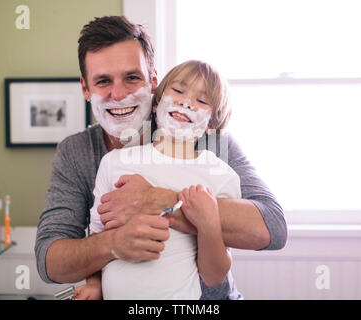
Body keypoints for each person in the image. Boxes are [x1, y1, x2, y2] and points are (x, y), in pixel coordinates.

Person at [35, 16, 287, 300]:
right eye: (103, 81)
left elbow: (272, 228)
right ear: (86, 89)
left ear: (153, 81)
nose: (118, 95)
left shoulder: (210, 141)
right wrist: (112, 245)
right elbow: (49, 259)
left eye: (132, 77)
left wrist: (161, 201)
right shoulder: (78, 152)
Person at [76, 60, 240, 300]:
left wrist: (209, 224)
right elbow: (97, 236)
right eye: (178, 90)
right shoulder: (114, 163)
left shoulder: (221, 177)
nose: (186, 102)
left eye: (202, 101)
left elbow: (213, 277)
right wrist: (93, 284)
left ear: (212, 123)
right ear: (156, 103)